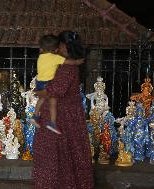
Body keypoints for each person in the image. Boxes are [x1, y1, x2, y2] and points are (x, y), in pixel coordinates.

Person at [33, 31, 94, 189]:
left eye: (58, 45)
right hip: (60, 116)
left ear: (64, 46)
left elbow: (55, 90)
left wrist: (37, 92)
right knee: (59, 156)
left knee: (58, 157)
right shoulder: (60, 64)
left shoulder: (66, 68)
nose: (55, 48)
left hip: (63, 119)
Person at [31, 34, 82, 134]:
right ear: (55, 49)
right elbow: (56, 90)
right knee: (52, 103)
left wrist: (40, 92)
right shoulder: (56, 59)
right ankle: (52, 123)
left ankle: (35, 116)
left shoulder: (41, 56)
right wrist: (78, 62)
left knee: (41, 99)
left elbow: (56, 89)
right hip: (48, 86)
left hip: (40, 82)